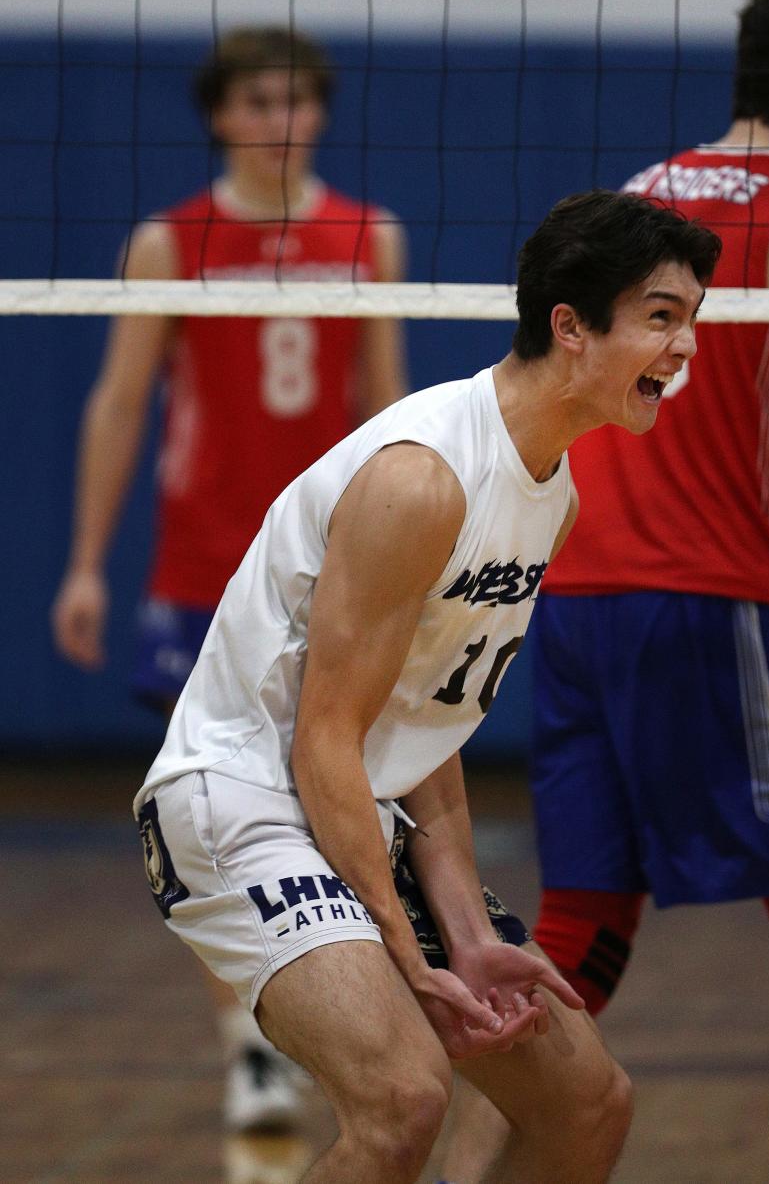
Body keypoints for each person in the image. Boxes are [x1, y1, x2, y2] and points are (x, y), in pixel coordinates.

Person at [441, 0, 769, 1184]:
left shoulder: (638, 203)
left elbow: (687, 436)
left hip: (575, 606)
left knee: (572, 936)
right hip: (728, 612)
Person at [131, 189, 721, 1184]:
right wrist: (414, 958)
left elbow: (425, 726)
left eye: (691, 320)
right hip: (238, 795)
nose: (686, 347)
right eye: (663, 317)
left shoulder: (554, 492)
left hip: (352, 800)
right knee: (403, 1099)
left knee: (588, 1104)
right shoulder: (423, 479)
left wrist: (466, 932)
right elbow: (325, 738)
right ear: (570, 326)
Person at [51, 25, 408, 1134]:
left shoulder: (368, 233)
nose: (278, 121)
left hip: (323, 573)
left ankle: (341, 1022)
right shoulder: (171, 241)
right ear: (220, 115)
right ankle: (250, 1047)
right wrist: (83, 566)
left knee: (329, 803)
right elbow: (119, 401)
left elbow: (387, 407)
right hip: (201, 566)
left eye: (296, 100)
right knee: (213, 818)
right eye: (256, 101)